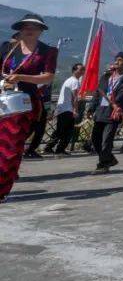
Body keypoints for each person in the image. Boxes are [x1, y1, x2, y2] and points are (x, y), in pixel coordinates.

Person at [0, 14, 58, 202]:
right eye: (26, 26)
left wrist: (21, 78)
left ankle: (2, 189)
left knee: (11, 147)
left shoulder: (47, 51)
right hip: (2, 96)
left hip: (22, 103)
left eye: (34, 26)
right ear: (20, 28)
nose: (30, 29)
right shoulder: (8, 47)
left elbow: (48, 77)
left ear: (41, 30)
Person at [45, 63, 84, 156]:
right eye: (80, 69)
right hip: (68, 109)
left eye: (83, 70)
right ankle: (57, 148)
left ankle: (51, 147)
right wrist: (75, 110)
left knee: (60, 130)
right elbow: (75, 98)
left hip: (62, 108)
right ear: (74, 70)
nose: (82, 71)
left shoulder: (69, 80)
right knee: (67, 131)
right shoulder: (75, 82)